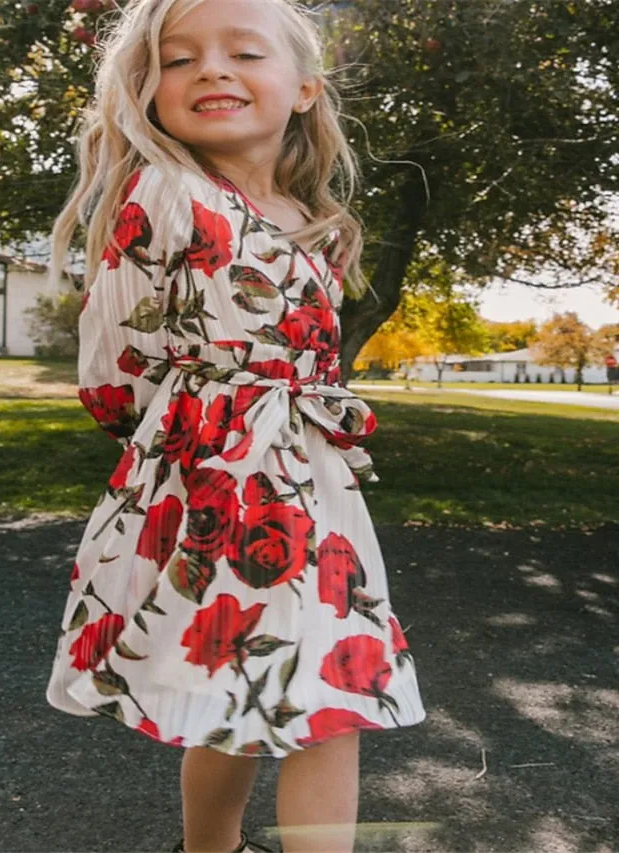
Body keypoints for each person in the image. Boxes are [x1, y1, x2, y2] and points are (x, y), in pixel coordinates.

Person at [45, 1, 426, 851]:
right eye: (177, 61)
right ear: (148, 95)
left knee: (265, 691)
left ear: (304, 89)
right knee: (315, 689)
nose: (209, 69)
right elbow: (114, 362)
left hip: (313, 486)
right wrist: (201, 434)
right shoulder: (170, 191)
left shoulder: (314, 221)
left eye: (242, 51)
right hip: (220, 481)